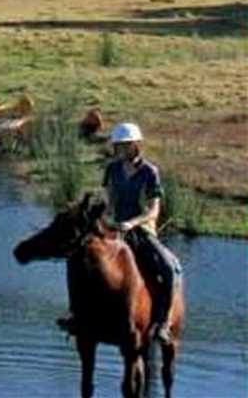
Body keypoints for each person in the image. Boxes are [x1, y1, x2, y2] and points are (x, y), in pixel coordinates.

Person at [59, 122, 182, 344]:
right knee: (77, 259)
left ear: (135, 146)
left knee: (169, 267)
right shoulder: (113, 169)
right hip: (113, 228)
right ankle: (75, 315)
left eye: (124, 145)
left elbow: (153, 209)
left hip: (140, 231)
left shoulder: (149, 172)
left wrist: (132, 223)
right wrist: (102, 219)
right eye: (118, 146)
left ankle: (163, 323)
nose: (120, 150)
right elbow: (109, 200)